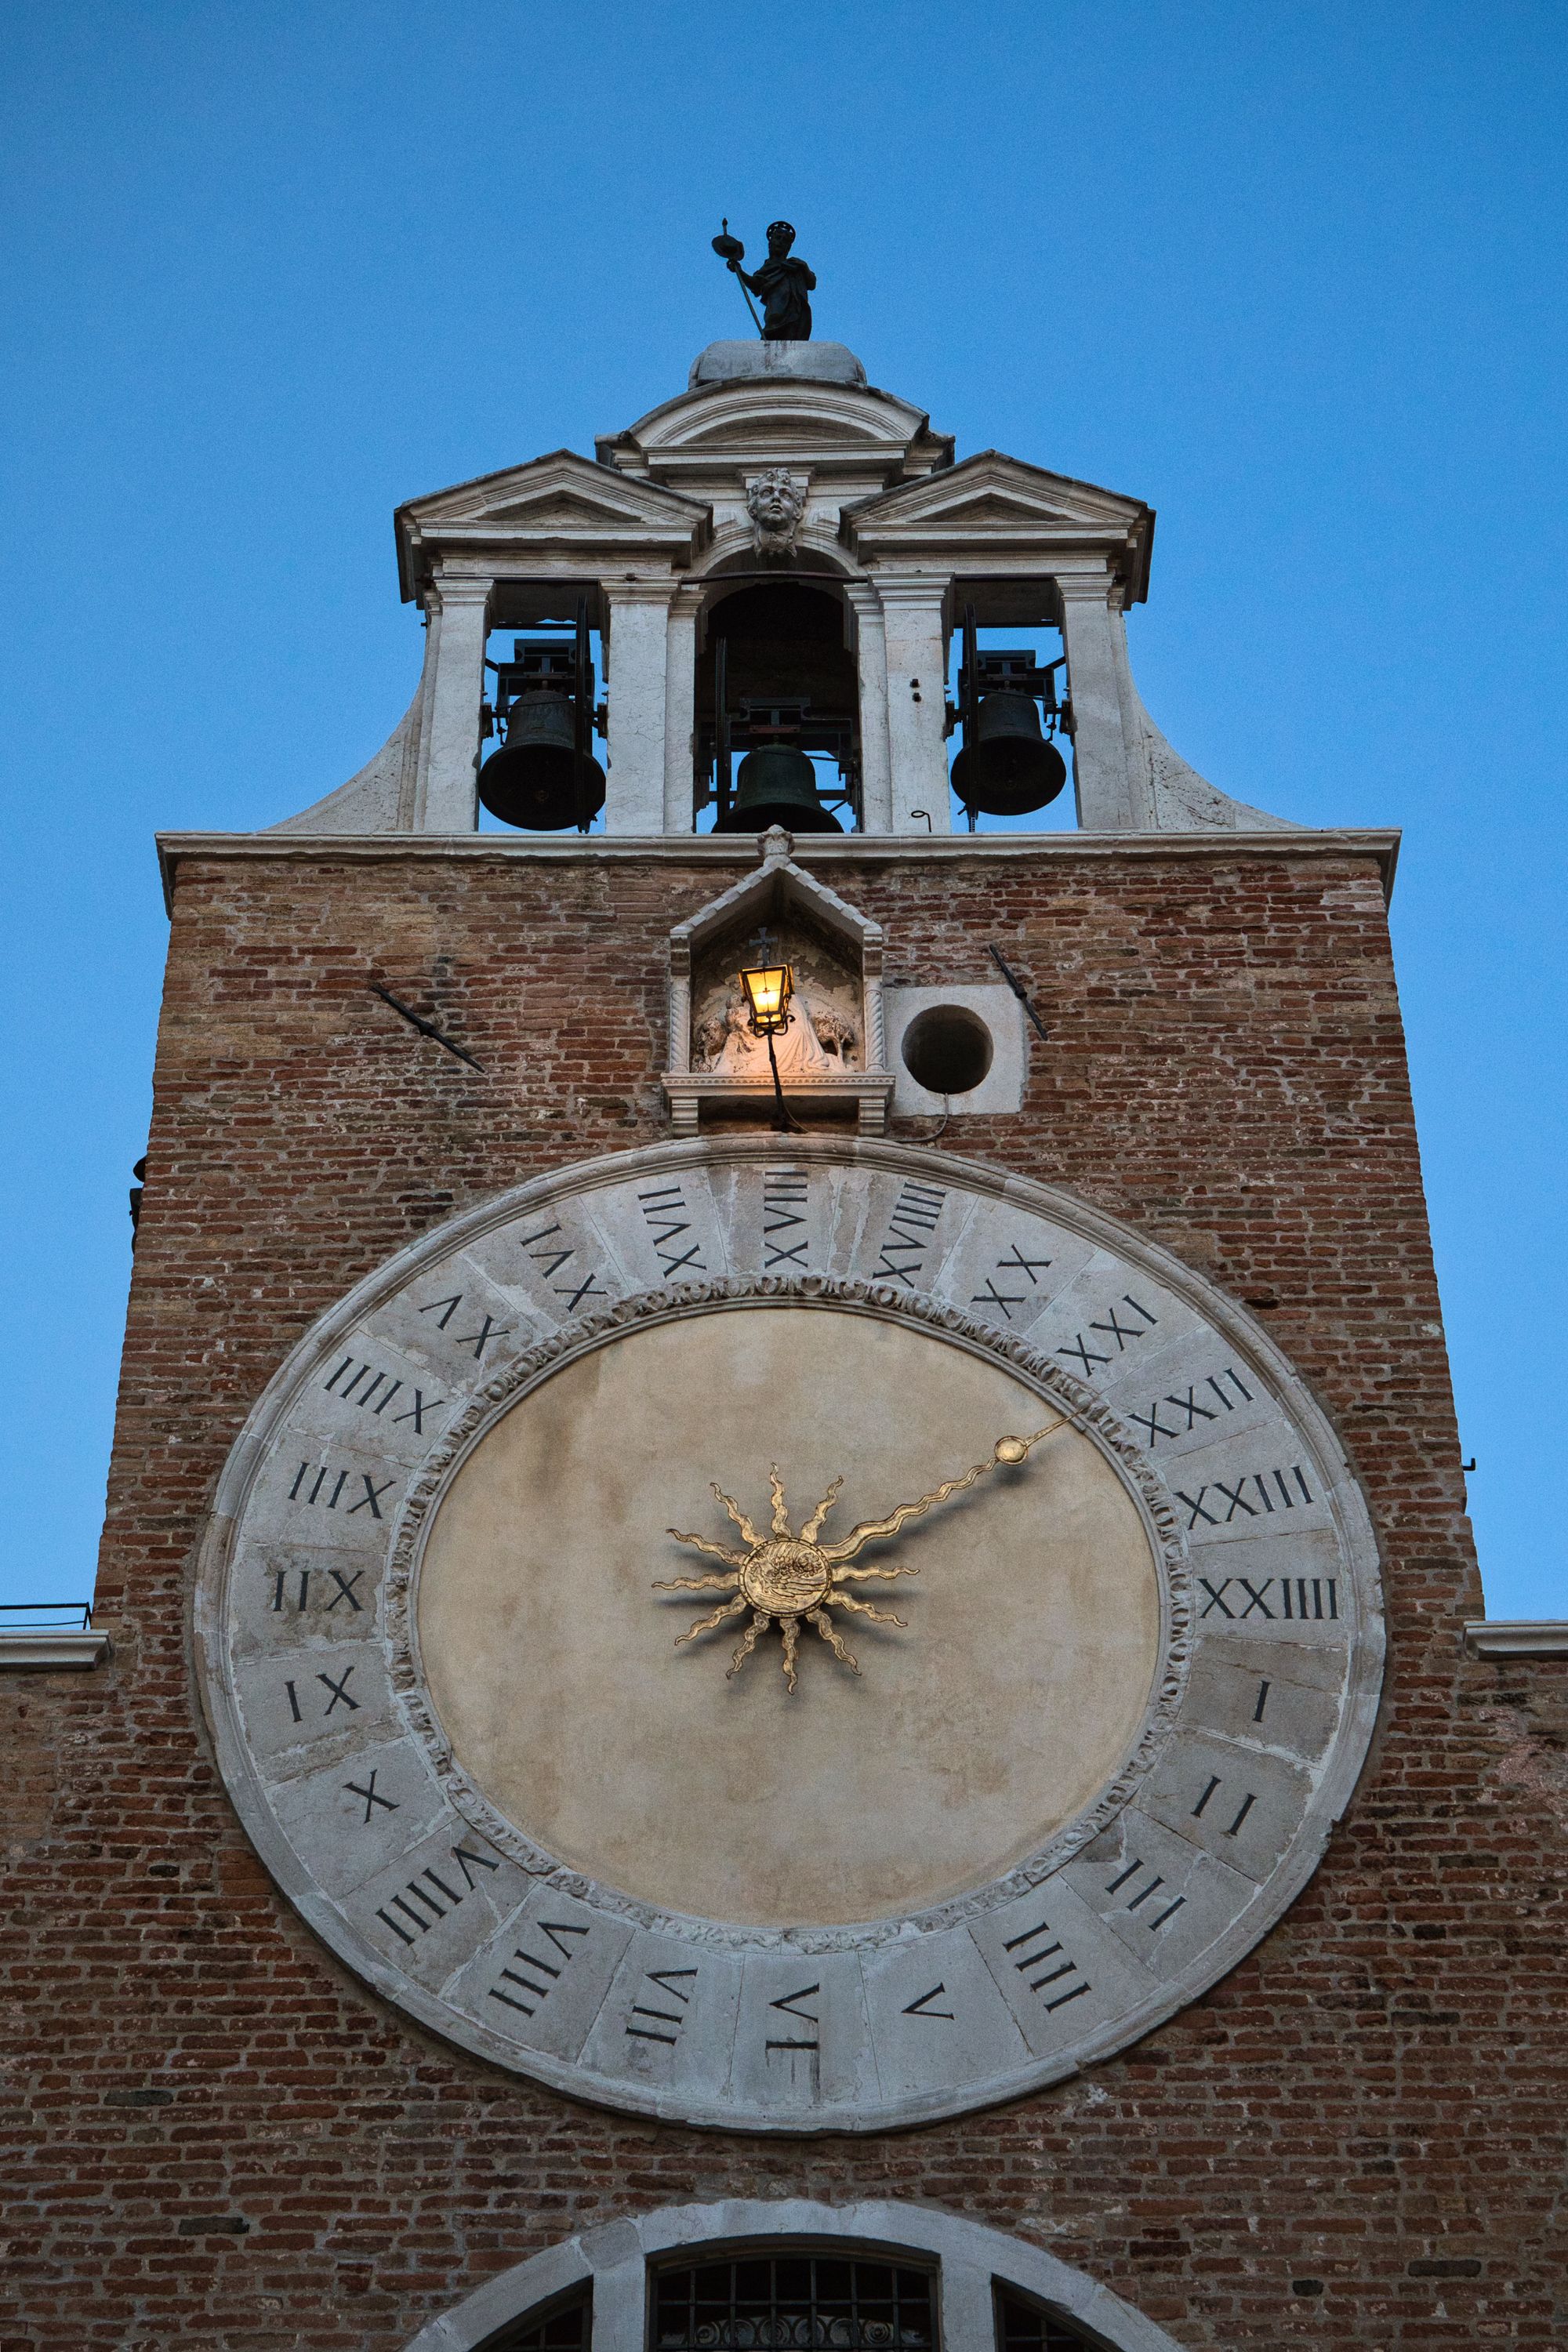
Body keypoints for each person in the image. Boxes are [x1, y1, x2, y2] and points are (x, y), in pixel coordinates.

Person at [729, 221, 815, 342]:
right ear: (770, 243)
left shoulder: (796, 264)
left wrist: (804, 267)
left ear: (788, 246)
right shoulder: (768, 267)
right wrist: (739, 270)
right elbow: (755, 285)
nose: (780, 242)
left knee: (793, 343)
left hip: (796, 313)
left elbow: (812, 284)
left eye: (785, 240)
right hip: (775, 314)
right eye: (778, 238)